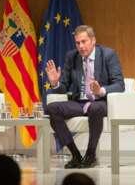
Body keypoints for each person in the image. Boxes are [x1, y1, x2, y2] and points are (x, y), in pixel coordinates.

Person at [45, 25, 125, 168]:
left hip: (99, 101)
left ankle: (91, 154)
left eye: (84, 41)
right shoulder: (72, 56)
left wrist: (101, 91)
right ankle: (75, 155)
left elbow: (120, 84)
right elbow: (64, 86)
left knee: (95, 108)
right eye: (78, 43)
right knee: (52, 108)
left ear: (93, 40)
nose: (81, 46)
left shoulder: (108, 55)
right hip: (79, 102)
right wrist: (55, 83)